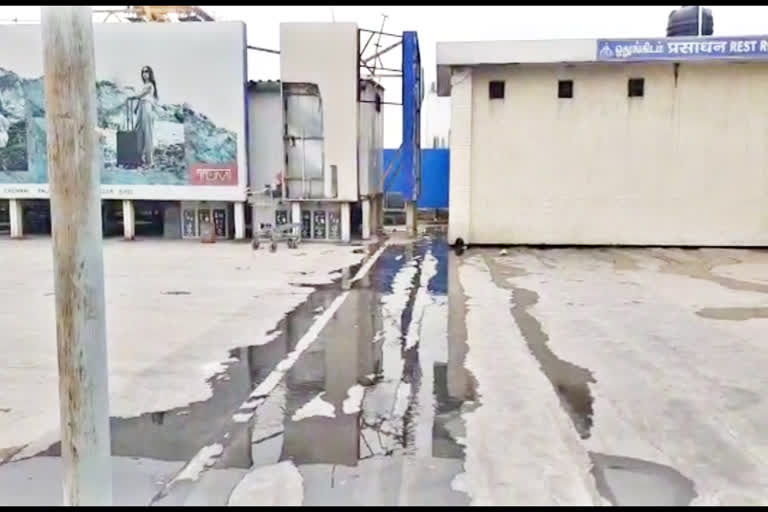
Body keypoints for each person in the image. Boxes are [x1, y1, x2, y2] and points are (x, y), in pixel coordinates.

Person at [128, 65, 158, 168]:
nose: (144, 73)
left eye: (146, 71)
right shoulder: (144, 84)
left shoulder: (150, 85)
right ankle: (138, 157)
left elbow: (142, 95)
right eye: (143, 72)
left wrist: (132, 97)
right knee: (138, 131)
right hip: (141, 107)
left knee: (147, 133)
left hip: (147, 108)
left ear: (150, 73)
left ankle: (150, 162)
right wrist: (136, 108)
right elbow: (141, 98)